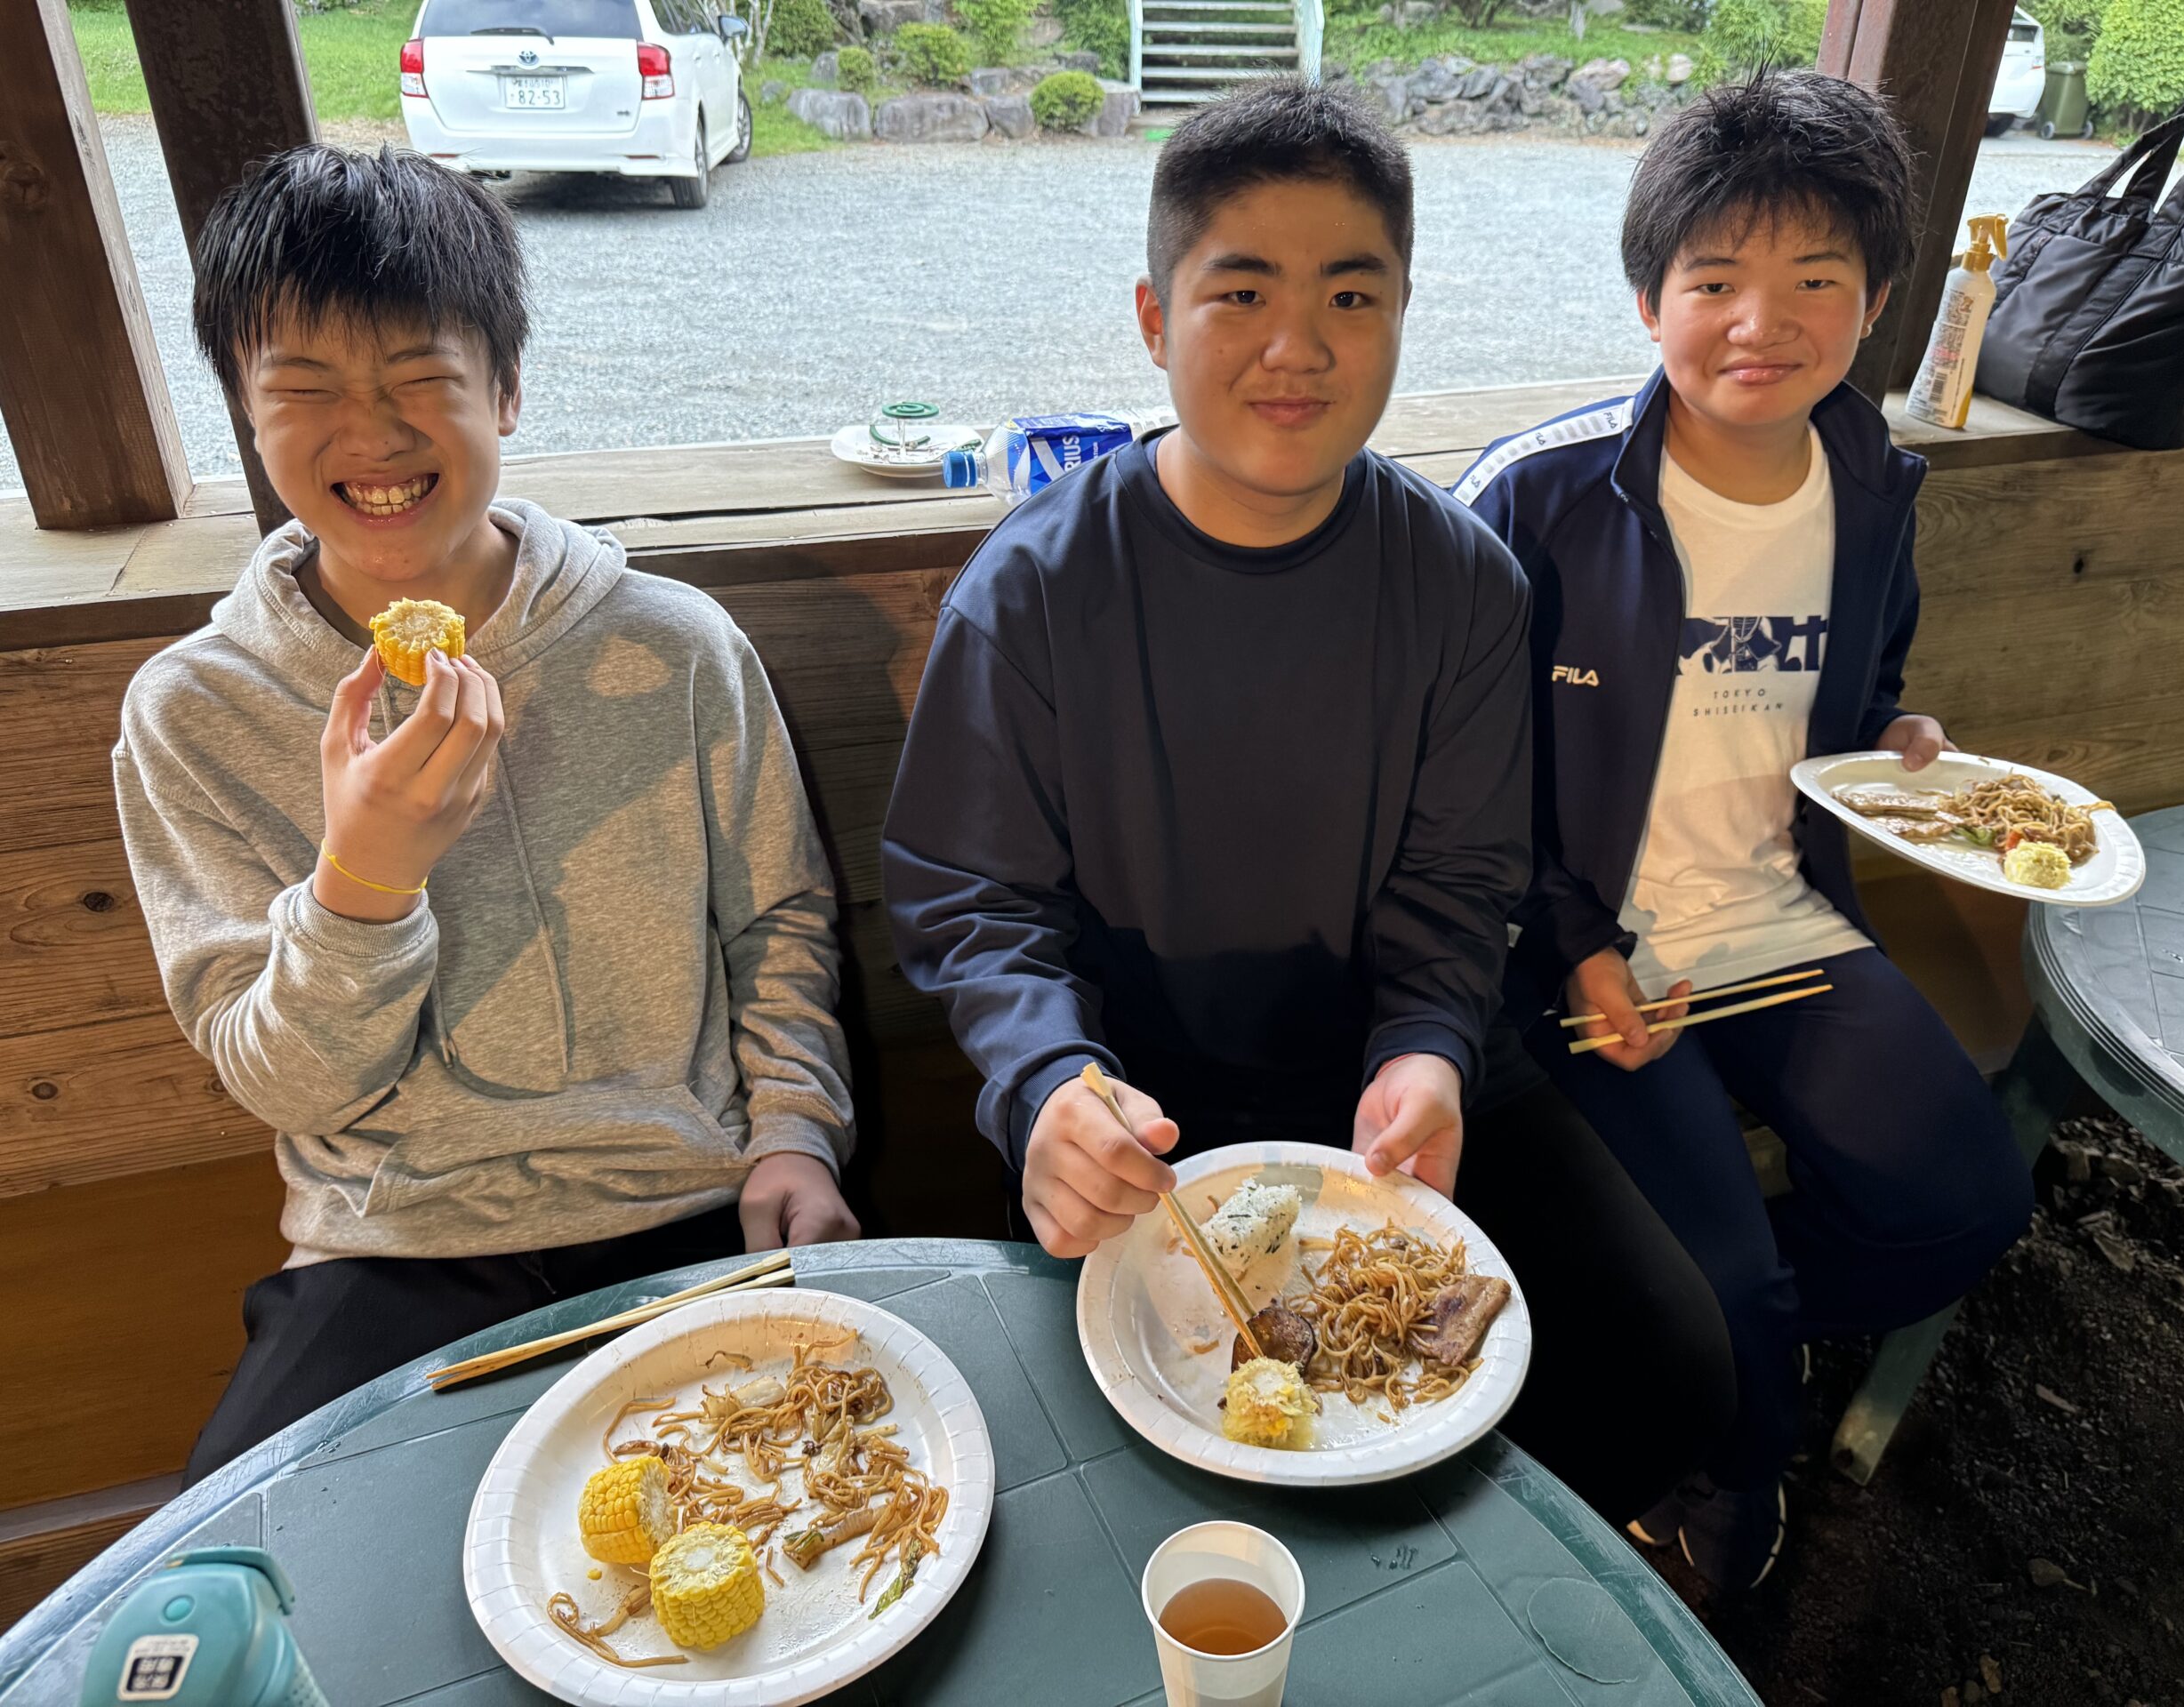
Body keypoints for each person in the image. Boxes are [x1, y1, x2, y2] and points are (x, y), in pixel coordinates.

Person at [883, 79, 1733, 1524]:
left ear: (1401, 314)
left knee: (1667, 1365)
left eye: (1351, 295)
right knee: (1126, 1461)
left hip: (1392, 1075)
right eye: (1241, 295)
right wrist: (1046, 1083)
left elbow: (1463, 878)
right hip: (1135, 1093)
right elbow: (974, 900)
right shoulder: (1032, 591)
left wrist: (1429, 1049)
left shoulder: (1465, 582)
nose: (1297, 347)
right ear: (1154, 320)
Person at [113, 146, 858, 1480]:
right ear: (245, 411)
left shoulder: (675, 647)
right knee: (261, 1571)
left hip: (685, 1204)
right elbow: (284, 1083)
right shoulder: (197, 711)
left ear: (505, 388)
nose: (371, 436)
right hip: (390, 1248)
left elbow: (779, 919)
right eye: (305, 389)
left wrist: (796, 1135)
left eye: (419, 378)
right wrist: (363, 885)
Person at [1454, 69, 2035, 1588]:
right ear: (1650, 297)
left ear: (1878, 301)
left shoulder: (1873, 483)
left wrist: (1897, 742)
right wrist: (1573, 944)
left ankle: (1723, 1353)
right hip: (1589, 957)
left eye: (1815, 281)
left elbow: (1861, 689)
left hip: (1782, 919)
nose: (1759, 324)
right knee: (1725, 1284)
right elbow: (1456, 781)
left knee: (1968, 1205)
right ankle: (1730, 1462)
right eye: (1714, 280)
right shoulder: (1539, 499)